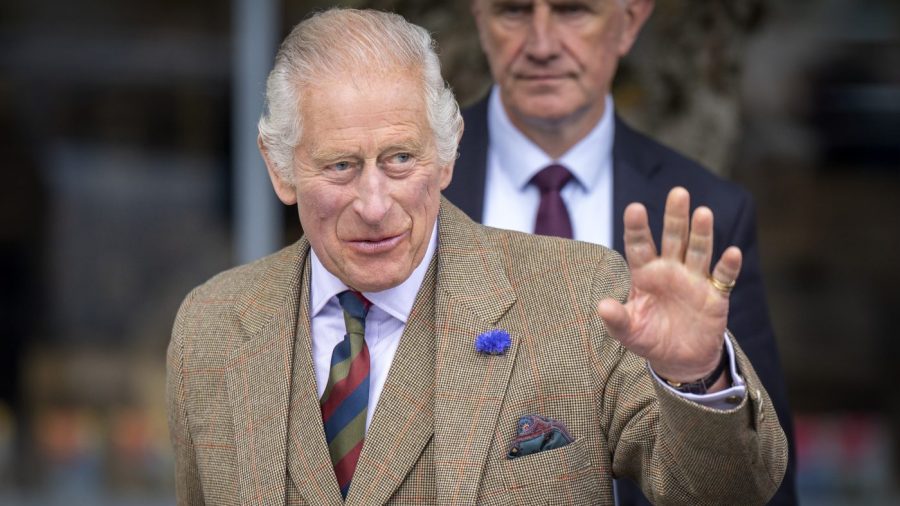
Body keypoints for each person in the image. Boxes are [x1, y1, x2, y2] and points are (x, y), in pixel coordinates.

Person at [167, 8, 786, 505]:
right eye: (340, 167)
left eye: (400, 159)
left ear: (447, 153)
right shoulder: (211, 329)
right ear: (280, 168)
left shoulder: (580, 294)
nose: (375, 203)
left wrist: (696, 380)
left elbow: (723, 492)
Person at [442, 1, 797, 504]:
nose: (542, 45)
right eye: (514, 11)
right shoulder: (409, 195)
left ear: (628, 23)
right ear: (479, 19)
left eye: (572, 11)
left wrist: (699, 378)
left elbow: (760, 482)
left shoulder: (710, 212)